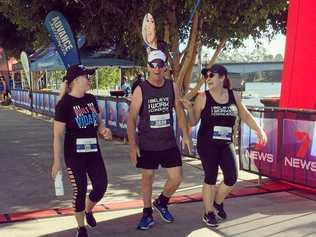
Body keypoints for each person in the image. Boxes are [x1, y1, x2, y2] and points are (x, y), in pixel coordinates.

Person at [180, 64, 267, 227]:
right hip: (207, 144)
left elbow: (245, 115)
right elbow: (193, 121)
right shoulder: (203, 97)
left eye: (211, 75)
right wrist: (190, 108)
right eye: (206, 76)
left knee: (232, 176)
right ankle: (208, 212)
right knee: (210, 177)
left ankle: (217, 203)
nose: (208, 78)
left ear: (222, 77)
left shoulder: (233, 95)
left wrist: (259, 130)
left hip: (226, 142)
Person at [128, 49, 192, 230]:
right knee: (147, 177)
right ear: (148, 67)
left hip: (168, 142)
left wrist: (186, 134)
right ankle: (147, 213)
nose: (157, 68)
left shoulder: (172, 86)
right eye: (153, 65)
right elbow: (132, 118)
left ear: (165, 67)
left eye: (160, 65)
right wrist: (133, 146)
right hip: (147, 143)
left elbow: (179, 110)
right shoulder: (141, 89)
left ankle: (162, 201)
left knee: (177, 178)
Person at [52, 64, 112, 237]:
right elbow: (57, 135)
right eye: (87, 76)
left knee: (101, 186)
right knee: (80, 189)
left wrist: (103, 129)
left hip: (94, 153)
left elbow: (98, 121)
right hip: (74, 156)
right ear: (77, 80)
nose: (89, 79)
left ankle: (88, 209)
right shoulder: (64, 104)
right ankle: (81, 228)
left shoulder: (91, 99)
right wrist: (57, 161)